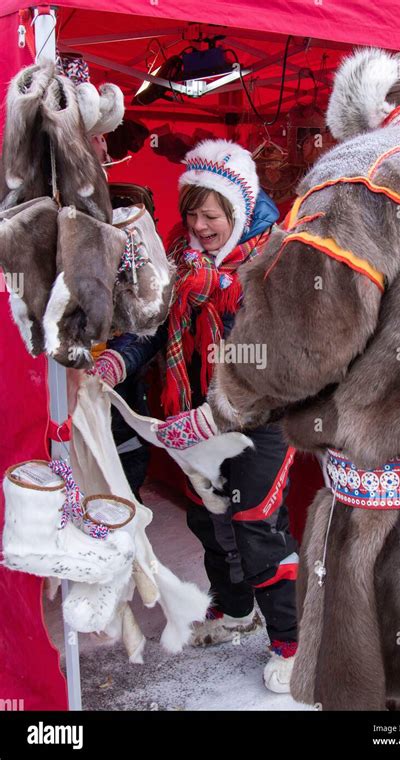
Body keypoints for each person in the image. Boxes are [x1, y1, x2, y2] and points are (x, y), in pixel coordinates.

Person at [93, 140, 299, 693]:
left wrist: (217, 415)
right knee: (210, 524)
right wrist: (117, 359)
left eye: (211, 215)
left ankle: (292, 641)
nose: (199, 226)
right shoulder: (181, 260)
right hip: (193, 419)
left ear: (236, 211)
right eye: (191, 213)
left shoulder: (274, 262)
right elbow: (153, 327)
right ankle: (237, 616)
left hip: (258, 421)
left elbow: (278, 365)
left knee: (256, 526)